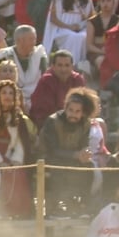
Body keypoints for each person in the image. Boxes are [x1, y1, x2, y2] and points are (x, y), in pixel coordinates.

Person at [40, 88, 96, 217]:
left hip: (72, 160)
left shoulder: (85, 124)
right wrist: (75, 155)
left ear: (82, 113)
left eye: (77, 112)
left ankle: (83, 205)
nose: (73, 114)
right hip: (49, 159)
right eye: (70, 110)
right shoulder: (53, 121)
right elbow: (52, 150)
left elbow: (83, 145)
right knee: (57, 167)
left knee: (89, 167)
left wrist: (85, 153)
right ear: (65, 109)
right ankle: (56, 207)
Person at [0, 79, 37, 218]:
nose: (7, 96)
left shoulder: (18, 117)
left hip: (10, 155)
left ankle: (18, 212)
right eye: (4, 92)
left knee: (18, 172)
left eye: (11, 93)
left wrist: (16, 159)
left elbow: (20, 143)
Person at [29, 50, 86, 127]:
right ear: (53, 66)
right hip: (50, 124)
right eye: (60, 65)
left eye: (67, 65)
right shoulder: (46, 81)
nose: (63, 69)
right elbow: (43, 112)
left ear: (72, 66)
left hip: (75, 120)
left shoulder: (77, 80)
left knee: (100, 123)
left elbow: (85, 105)